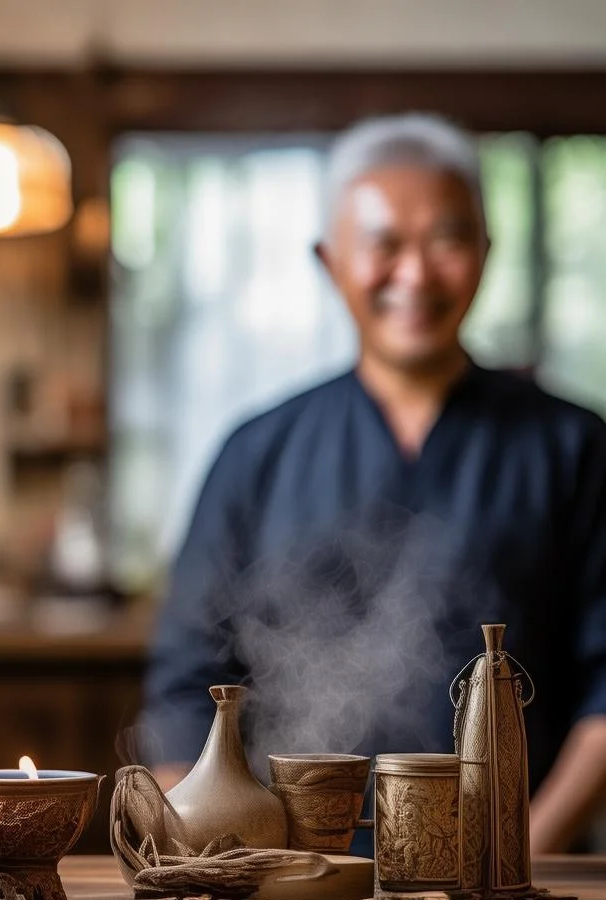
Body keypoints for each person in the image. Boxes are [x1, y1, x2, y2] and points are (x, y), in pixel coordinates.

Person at [140, 113, 606, 854]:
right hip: (287, 875)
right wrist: (218, 861)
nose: (415, 275)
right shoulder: (258, 451)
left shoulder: (573, 446)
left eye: (446, 240)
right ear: (330, 261)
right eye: (384, 244)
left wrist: (519, 858)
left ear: (486, 252)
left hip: (518, 868)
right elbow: (185, 688)